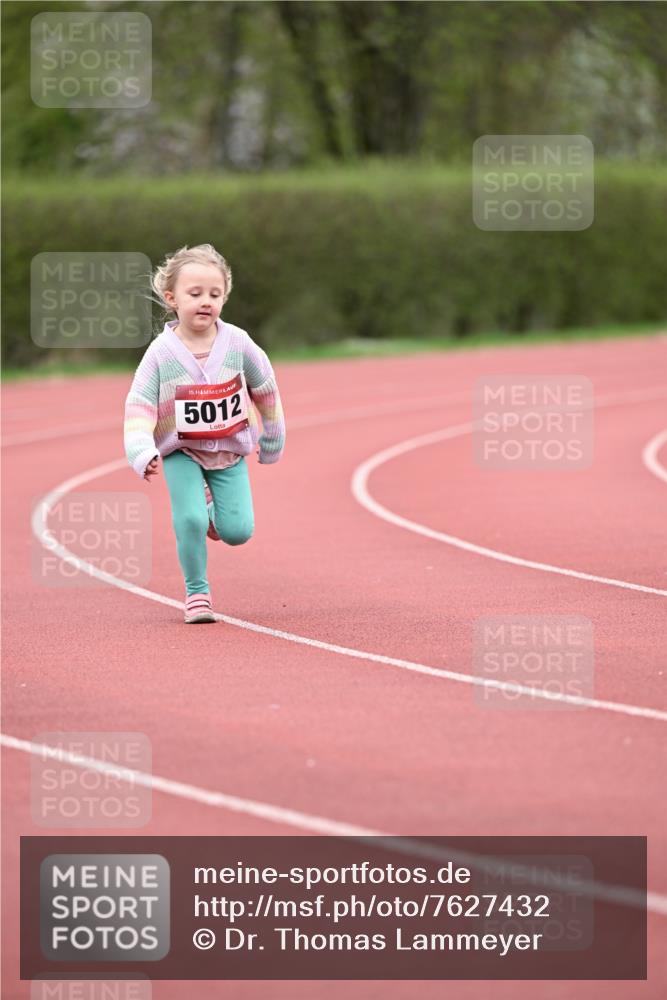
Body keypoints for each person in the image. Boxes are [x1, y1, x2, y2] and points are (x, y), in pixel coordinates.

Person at [124, 243, 286, 623]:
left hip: (229, 451)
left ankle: (214, 512)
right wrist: (141, 449)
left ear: (224, 297)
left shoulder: (238, 343)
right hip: (181, 451)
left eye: (215, 294)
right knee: (191, 520)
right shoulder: (160, 353)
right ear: (172, 298)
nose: (205, 302)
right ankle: (197, 592)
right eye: (195, 293)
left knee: (238, 531)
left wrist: (272, 437)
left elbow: (265, 387)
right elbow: (140, 405)